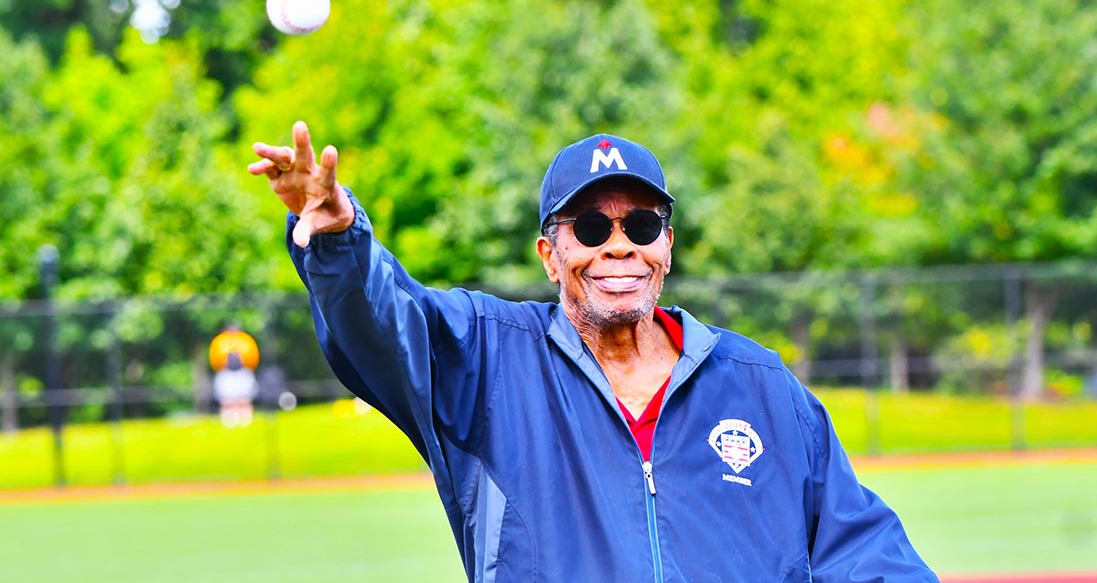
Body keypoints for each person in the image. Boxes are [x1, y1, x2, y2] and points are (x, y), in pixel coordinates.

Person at [249, 121, 939, 582]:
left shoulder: (759, 385)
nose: (618, 244)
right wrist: (340, 237)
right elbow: (384, 321)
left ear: (666, 245)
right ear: (552, 254)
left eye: (641, 223)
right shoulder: (486, 359)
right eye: (589, 224)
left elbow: (861, 550)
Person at [209, 324, 260, 427]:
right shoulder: (220, 340)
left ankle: (245, 419)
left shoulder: (245, 340)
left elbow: (253, 356)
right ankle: (228, 420)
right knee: (227, 399)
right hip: (226, 373)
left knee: (244, 398)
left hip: (243, 372)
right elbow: (215, 358)